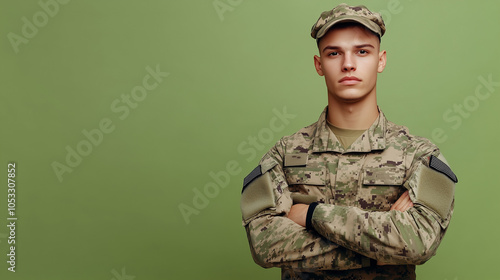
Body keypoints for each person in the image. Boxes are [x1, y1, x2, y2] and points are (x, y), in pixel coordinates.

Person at [239, 3, 458, 280]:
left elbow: (417, 242)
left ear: (381, 60)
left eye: (362, 51)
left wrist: (310, 215)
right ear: (319, 64)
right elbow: (265, 245)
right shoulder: (284, 154)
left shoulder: (418, 155)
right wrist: (382, 250)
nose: (348, 64)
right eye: (334, 53)